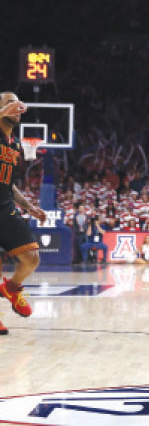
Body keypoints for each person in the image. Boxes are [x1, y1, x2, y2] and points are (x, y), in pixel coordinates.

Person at [0, 92, 47, 330]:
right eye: (9, 102)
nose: (16, 107)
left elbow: (9, 184)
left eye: (17, 103)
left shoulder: (16, 144)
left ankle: (12, 287)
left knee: (31, 258)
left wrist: (29, 206)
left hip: (5, 206)